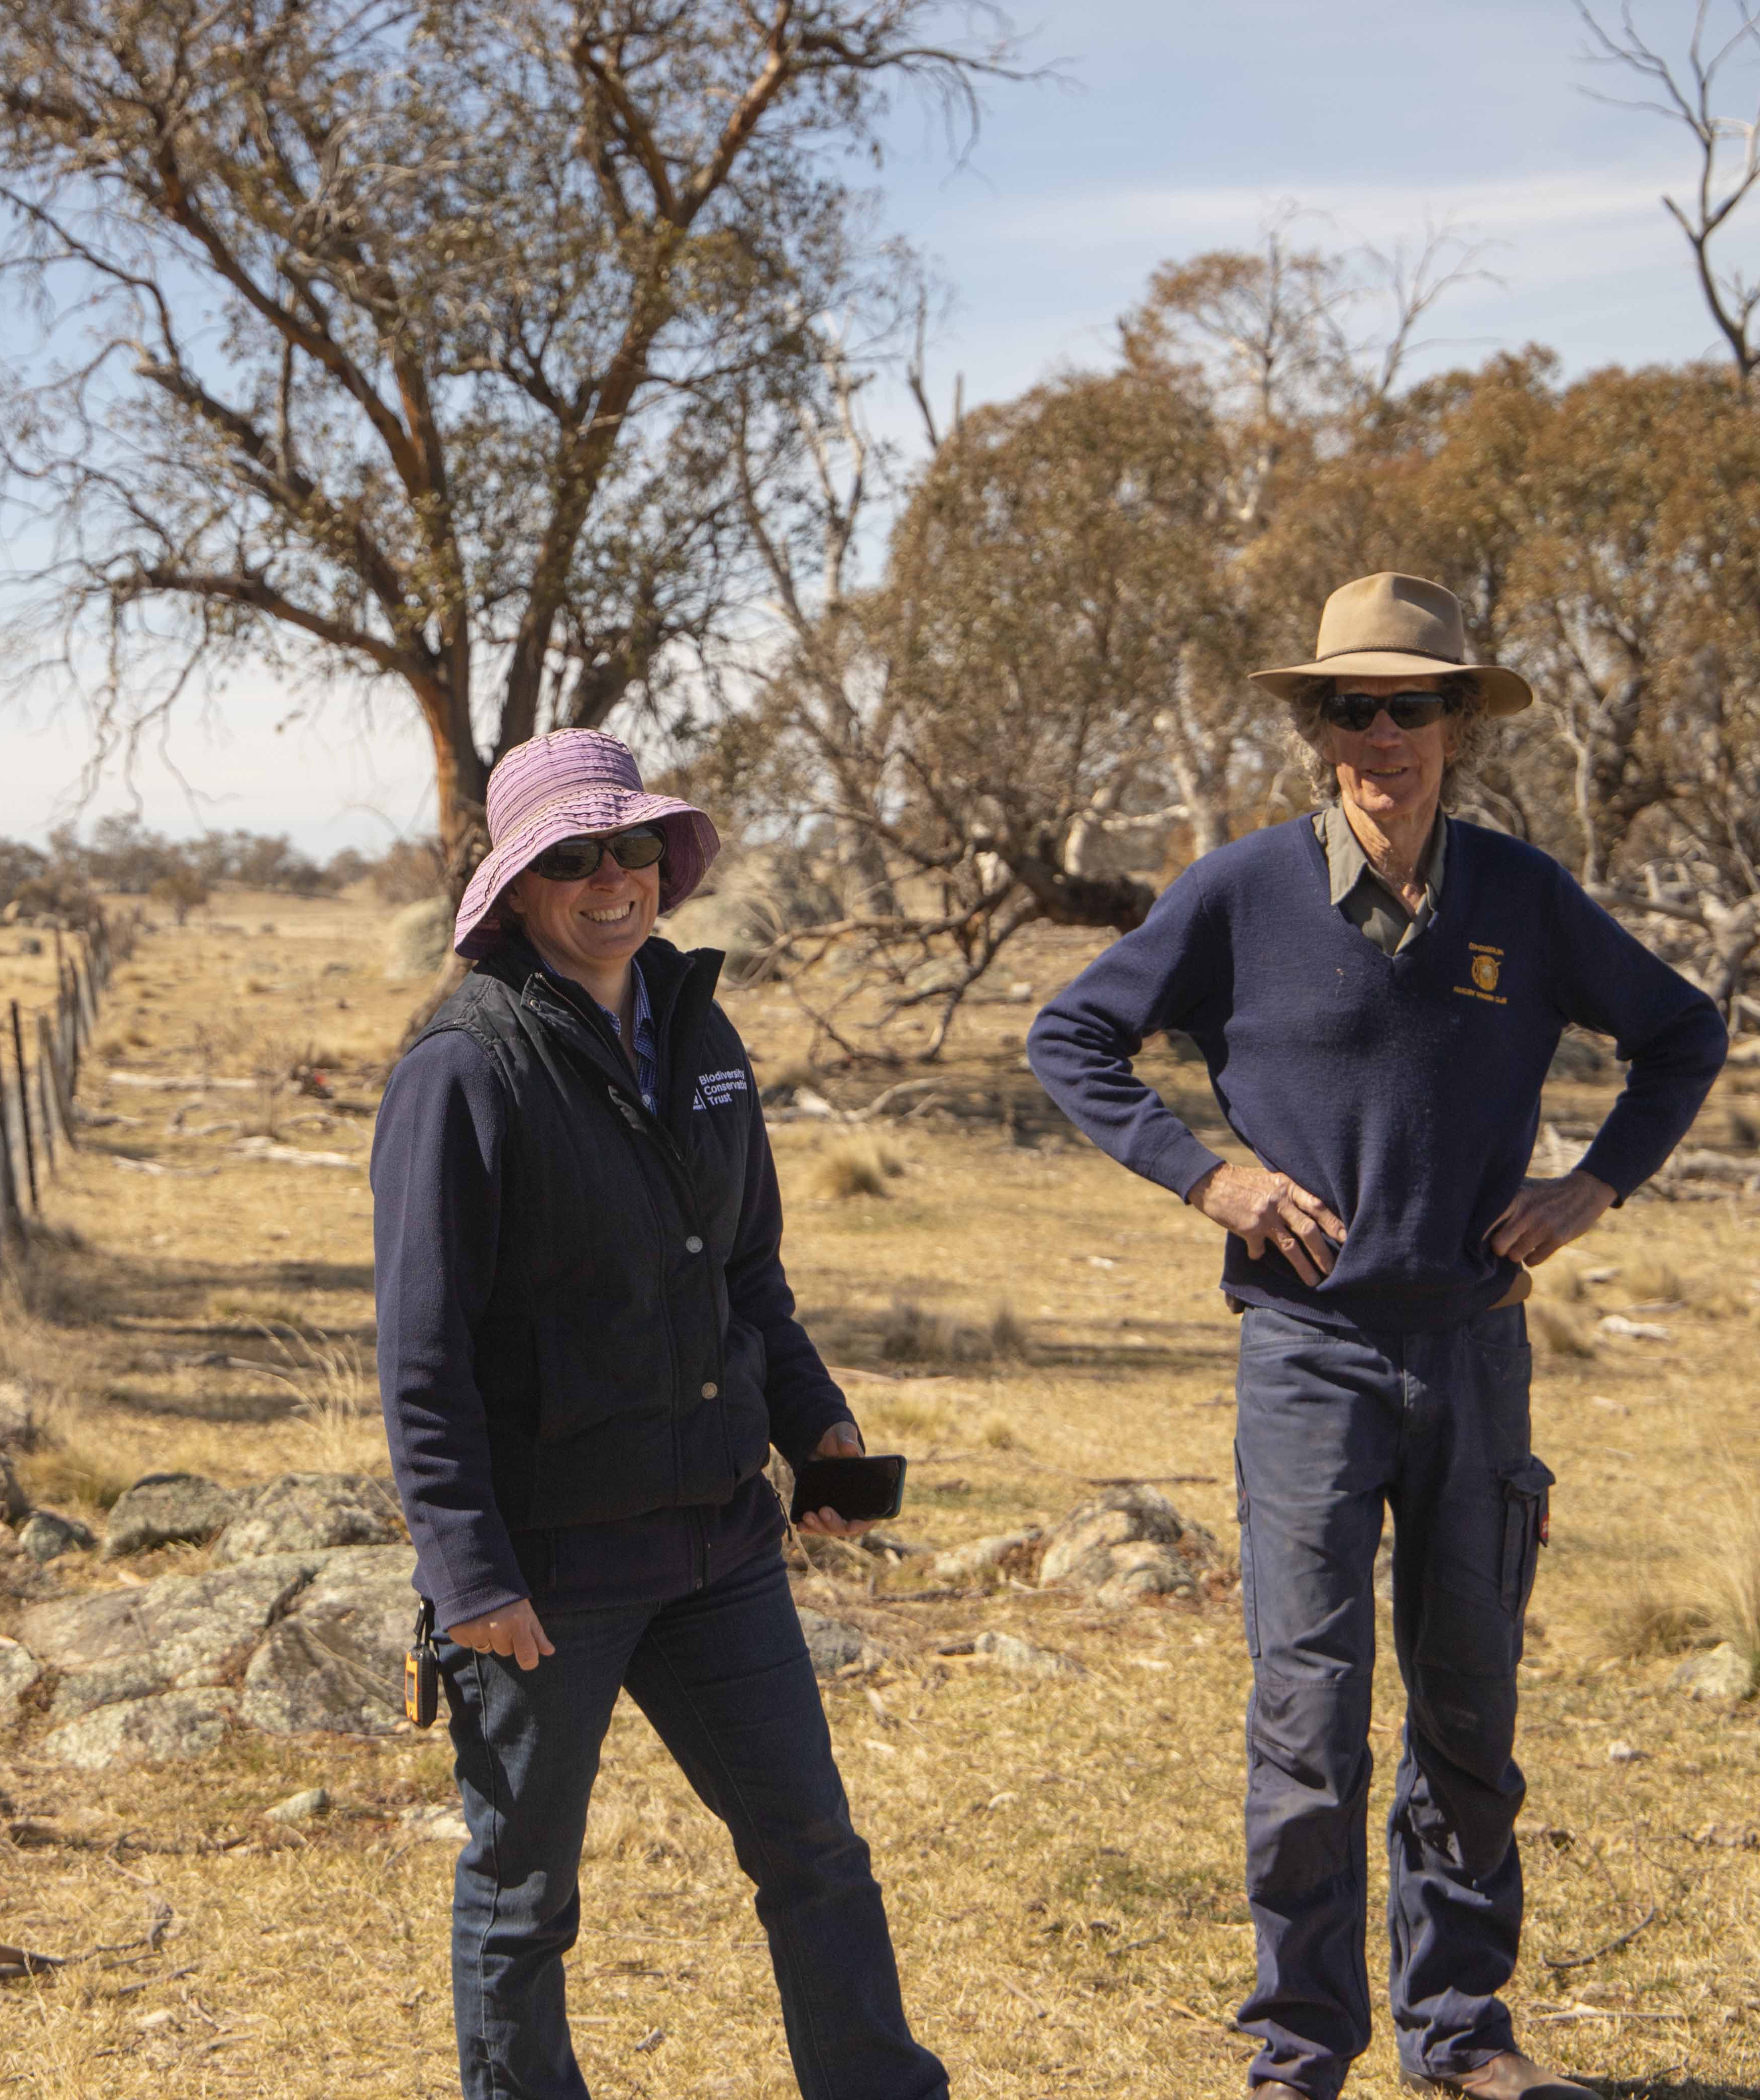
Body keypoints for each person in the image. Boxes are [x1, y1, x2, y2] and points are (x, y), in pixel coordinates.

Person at [1026, 574, 1728, 2100]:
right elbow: (1069, 1035)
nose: (1384, 734)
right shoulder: (1238, 894)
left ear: (1459, 725)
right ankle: (1301, 2042)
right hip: (1308, 1357)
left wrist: (1593, 1187)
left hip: (1475, 1351)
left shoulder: (1526, 900)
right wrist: (1209, 1176)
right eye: (1355, 707)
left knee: (1471, 1701)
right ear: (1316, 727)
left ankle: (1464, 2031)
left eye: (1415, 705)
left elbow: (1685, 1032)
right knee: (1309, 1710)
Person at [371, 727, 948, 2100]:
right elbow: (422, 1355)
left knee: (816, 1852)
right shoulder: (465, 1067)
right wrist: (469, 1576)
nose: (610, 879)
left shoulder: (699, 1028)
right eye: (571, 858)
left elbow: (746, 1269)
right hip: (549, 1576)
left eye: (630, 848)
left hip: (718, 1548)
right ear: (516, 887)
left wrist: (819, 1429)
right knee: (523, 1894)